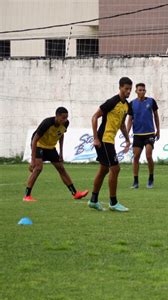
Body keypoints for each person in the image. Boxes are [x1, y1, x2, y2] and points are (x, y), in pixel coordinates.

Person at [23, 107, 89, 202]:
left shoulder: (66, 123)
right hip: (39, 145)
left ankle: (75, 193)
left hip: (50, 147)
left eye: (66, 117)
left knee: (61, 168)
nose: (65, 120)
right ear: (57, 116)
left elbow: (61, 135)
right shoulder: (47, 123)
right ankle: (27, 196)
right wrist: (32, 160)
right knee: (38, 168)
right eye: (63, 117)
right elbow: (34, 140)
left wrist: (61, 152)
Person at [88, 77, 132, 212]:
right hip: (104, 139)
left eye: (130, 89)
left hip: (109, 139)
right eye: (126, 89)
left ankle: (93, 200)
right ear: (120, 88)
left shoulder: (126, 106)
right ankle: (113, 202)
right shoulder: (112, 102)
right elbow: (95, 117)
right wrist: (95, 138)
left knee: (104, 169)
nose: (128, 91)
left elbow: (122, 125)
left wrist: (127, 139)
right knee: (115, 169)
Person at [126, 83, 160, 189]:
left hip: (149, 133)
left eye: (143, 90)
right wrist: (126, 134)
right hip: (137, 134)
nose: (142, 92)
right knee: (136, 157)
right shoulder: (132, 104)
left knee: (148, 156)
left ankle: (151, 178)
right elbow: (130, 120)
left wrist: (158, 130)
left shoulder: (151, 101)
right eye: (140, 90)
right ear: (136, 91)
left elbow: (156, 116)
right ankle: (135, 181)